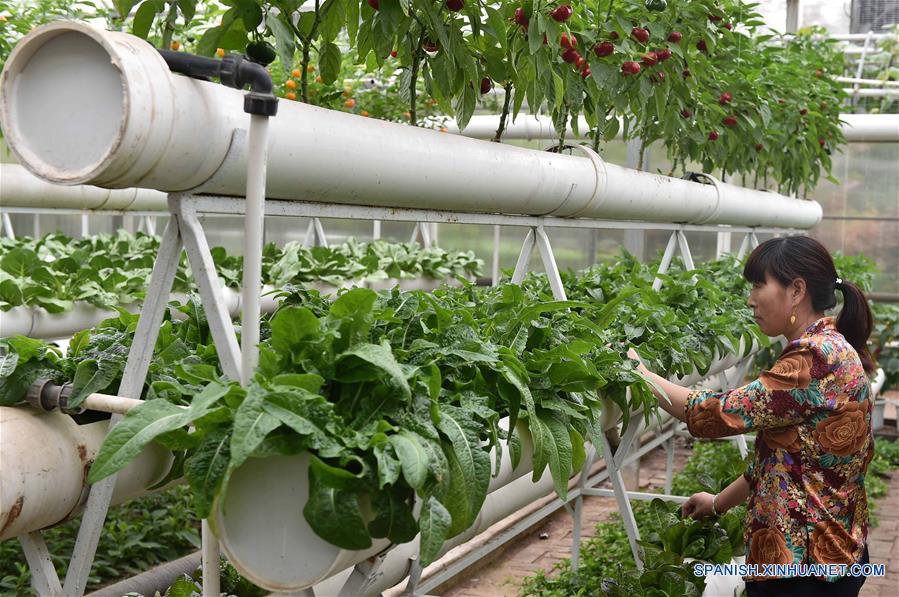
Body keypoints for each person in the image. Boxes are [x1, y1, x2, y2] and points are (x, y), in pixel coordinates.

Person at [628, 236, 875, 597]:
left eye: (759, 284)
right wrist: (718, 503)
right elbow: (784, 456)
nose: (751, 298)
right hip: (834, 556)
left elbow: (717, 413)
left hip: (802, 572)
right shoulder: (835, 345)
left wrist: (640, 374)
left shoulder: (812, 359)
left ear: (796, 291)